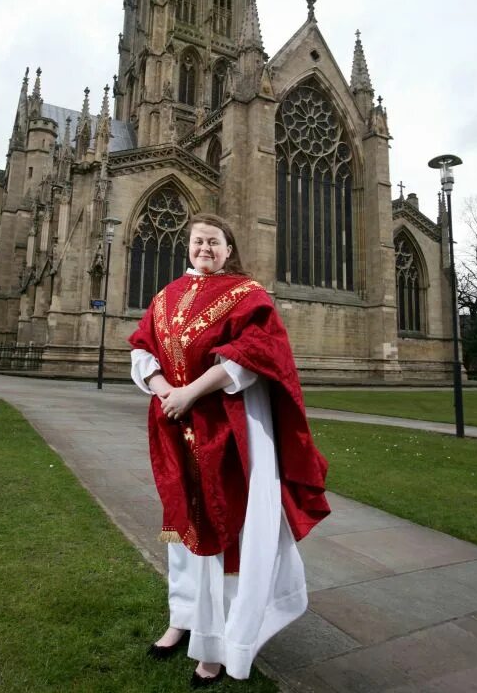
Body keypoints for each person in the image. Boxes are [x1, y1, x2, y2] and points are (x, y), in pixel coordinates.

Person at [129, 213, 330, 688]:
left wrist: (191, 392)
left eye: (213, 241)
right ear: (189, 247)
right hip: (176, 428)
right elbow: (142, 350)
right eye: (198, 240)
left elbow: (257, 355)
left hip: (231, 433)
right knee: (182, 527)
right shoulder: (165, 296)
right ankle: (182, 618)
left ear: (228, 249)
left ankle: (219, 646)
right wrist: (163, 390)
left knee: (228, 532)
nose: (205, 247)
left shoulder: (247, 294)